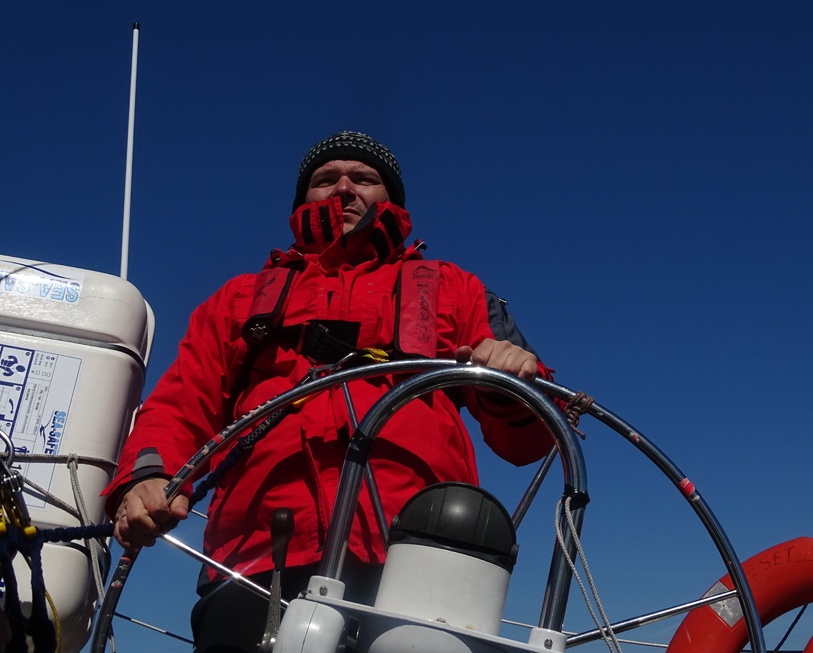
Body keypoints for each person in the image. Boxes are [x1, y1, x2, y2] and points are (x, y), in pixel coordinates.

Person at [103, 131, 556, 653]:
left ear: (391, 200)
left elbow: (530, 440)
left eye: (363, 178)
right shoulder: (237, 300)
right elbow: (179, 406)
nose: (343, 188)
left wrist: (509, 381)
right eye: (325, 179)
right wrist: (148, 474)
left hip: (420, 563)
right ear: (302, 200)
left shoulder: (455, 288)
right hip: (256, 561)